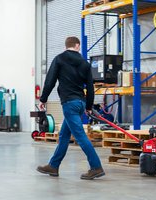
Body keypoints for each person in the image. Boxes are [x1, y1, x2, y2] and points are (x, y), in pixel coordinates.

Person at [36, 36, 105, 180]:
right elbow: (90, 88)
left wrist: (43, 99)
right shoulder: (85, 64)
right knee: (64, 136)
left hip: (69, 104)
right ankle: (53, 166)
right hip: (80, 104)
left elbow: (50, 81)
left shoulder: (60, 59)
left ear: (66, 46)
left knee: (80, 135)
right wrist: (89, 106)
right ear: (78, 46)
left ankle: (96, 167)